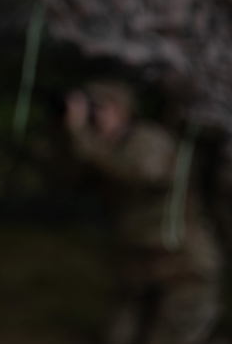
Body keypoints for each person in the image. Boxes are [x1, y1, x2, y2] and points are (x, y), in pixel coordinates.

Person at [64, 80, 225, 344]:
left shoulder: (148, 140)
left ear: (124, 110)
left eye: (102, 109)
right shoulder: (102, 146)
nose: (95, 117)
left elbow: (143, 173)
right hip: (140, 261)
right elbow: (68, 178)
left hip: (184, 263)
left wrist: (83, 138)